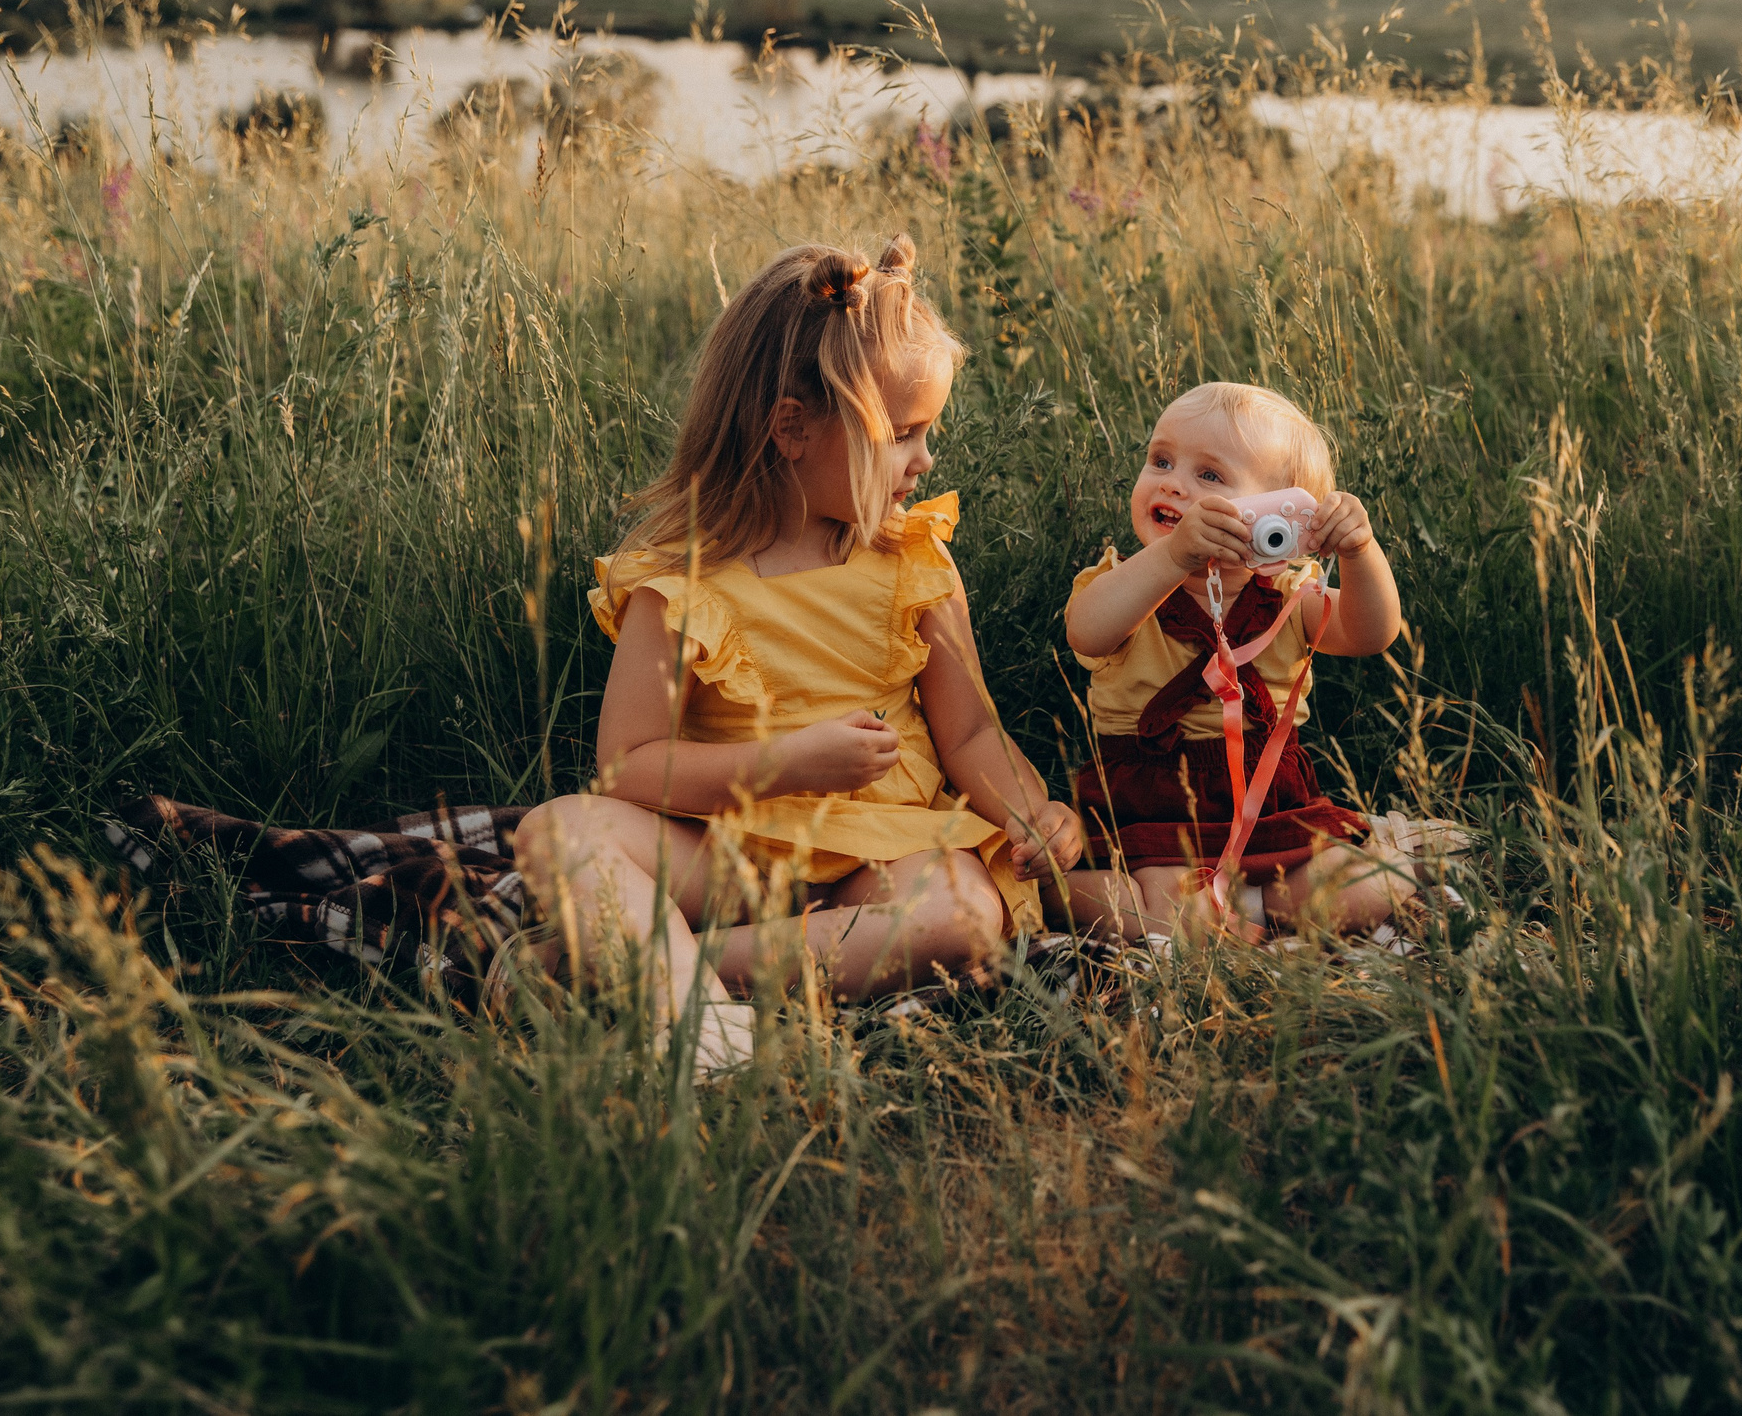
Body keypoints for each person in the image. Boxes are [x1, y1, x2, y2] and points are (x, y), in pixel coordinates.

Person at [514, 234, 1084, 1072]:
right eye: (903, 434)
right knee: (555, 830)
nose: (925, 459)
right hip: (730, 854)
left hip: (881, 853)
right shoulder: (682, 584)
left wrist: (1032, 809)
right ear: (793, 428)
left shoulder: (914, 561)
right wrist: (788, 764)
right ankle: (700, 1015)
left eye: (927, 432)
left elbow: (969, 733)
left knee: (963, 913)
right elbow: (627, 766)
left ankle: (662, 972)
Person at [1060, 381, 1437, 942]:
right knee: (1155, 910)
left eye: (1209, 475)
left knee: (1376, 883)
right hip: (1157, 814)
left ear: (1280, 517)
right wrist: (1174, 556)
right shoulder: (1125, 586)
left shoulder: (1290, 597)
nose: (1172, 483)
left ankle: (1253, 906)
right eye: (1160, 460)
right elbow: (1088, 632)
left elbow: (1371, 632)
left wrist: (1360, 551)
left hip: (1272, 815)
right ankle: (1208, 912)